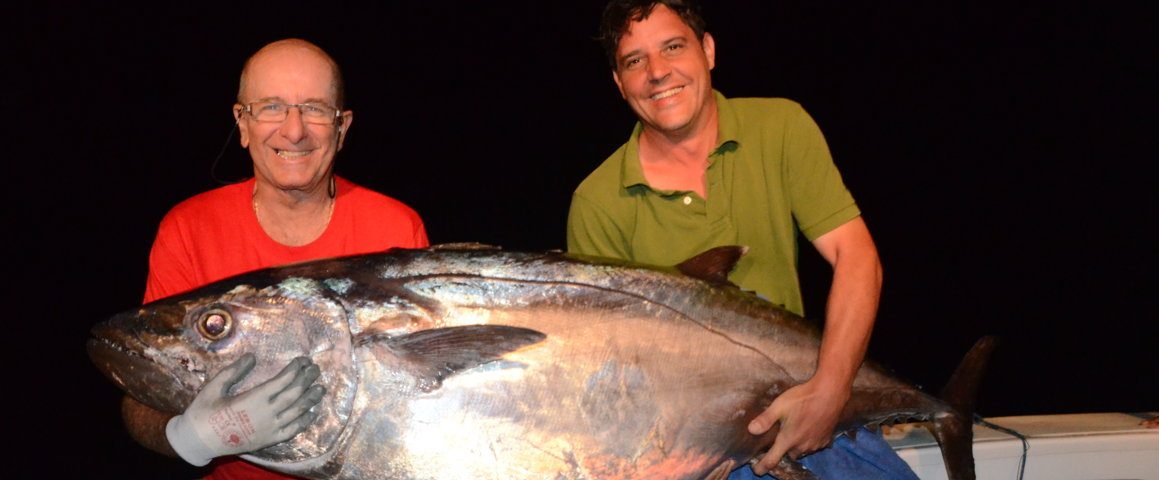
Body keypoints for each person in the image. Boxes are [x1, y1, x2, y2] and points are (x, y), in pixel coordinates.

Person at [566, 1, 913, 478]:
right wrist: (682, 457)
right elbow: (611, 371)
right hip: (692, 447)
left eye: (673, 47)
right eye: (634, 60)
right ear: (619, 83)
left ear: (707, 51)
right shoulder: (598, 200)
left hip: (809, 410)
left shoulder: (780, 127)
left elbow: (856, 256)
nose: (657, 72)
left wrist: (830, 392)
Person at [120, 38, 430, 480]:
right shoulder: (188, 229)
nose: (294, 130)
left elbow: (416, 393)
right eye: (271, 107)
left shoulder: (396, 229)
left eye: (315, 109)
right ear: (241, 123)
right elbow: (142, 396)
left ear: (342, 128)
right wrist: (192, 437)